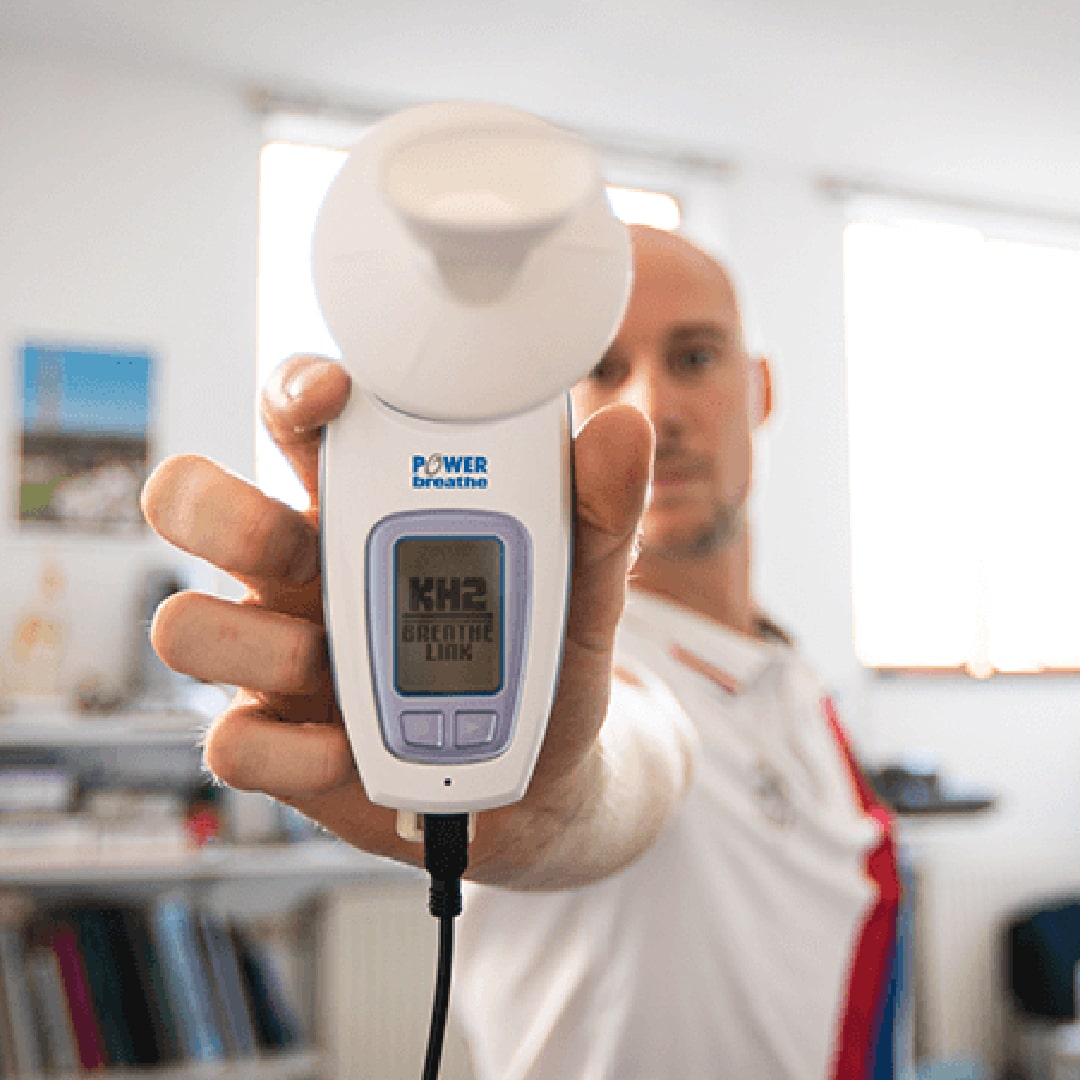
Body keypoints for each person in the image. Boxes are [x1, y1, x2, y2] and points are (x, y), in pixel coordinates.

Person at [141, 224, 900, 1079]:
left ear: (758, 388)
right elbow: (628, 761)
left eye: (694, 357)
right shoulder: (564, 672)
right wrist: (554, 795)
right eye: (602, 368)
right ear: (550, 410)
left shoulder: (788, 675)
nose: (654, 407)